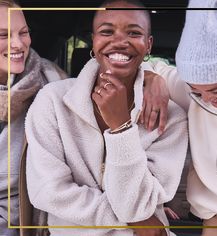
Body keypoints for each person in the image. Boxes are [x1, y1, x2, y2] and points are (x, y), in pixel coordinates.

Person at [25, 0, 188, 235]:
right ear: (94, 41)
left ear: (148, 44)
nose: (120, 41)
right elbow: (47, 191)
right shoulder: (52, 101)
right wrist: (134, 221)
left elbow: (139, 206)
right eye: (107, 32)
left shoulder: (171, 117)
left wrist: (121, 129)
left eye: (134, 32)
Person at [146, 0, 217, 235]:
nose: (206, 99)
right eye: (197, 91)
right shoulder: (193, 94)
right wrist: (151, 79)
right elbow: (133, 64)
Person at [0, 1, 68, 235]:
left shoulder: (55, 83)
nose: (18, 44)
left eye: (24, 32)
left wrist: (152, 79)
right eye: (2, 35)